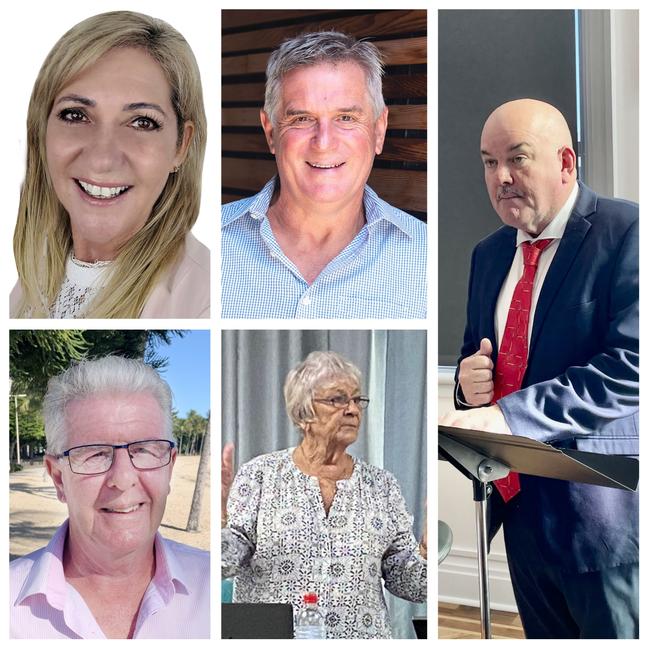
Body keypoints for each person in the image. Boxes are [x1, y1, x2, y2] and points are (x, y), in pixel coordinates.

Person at [440, 99, 638, 638]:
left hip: (597, 516)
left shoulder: (627, 232)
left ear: (566, 163)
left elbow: (632, 366)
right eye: (487, 162)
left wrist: (511, 417)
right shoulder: (487, 254)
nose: (500, 177)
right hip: (517, 510)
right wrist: (466, 383)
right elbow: (472, 356)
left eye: (517, 159)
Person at [11, 11, 209, 318]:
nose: (102, 160)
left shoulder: (205, 300)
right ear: (42, 130)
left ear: (181, 146)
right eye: (75, 115)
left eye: (142, 122)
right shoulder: (27, 284)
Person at [221, 351, 427, 638]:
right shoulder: (261, 474)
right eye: (338, 399)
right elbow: (225, 562)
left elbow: (409, 584)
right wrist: (219, 523)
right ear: (304, 412)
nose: (353, 409)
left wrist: (425, 555)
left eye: (357, 400)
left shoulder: (382, 486)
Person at [221, 31, 426, 319]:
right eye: (302, 119)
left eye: (346, 118)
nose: (324, 141)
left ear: (379, 131)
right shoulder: (206, 245)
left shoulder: (427, 257)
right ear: (271, 133)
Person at [10, 356, 209, 638]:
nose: (123, 479)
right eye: (95, 453)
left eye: (144, 450)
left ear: (170, 467)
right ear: (58, 478)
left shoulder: (212, 587)